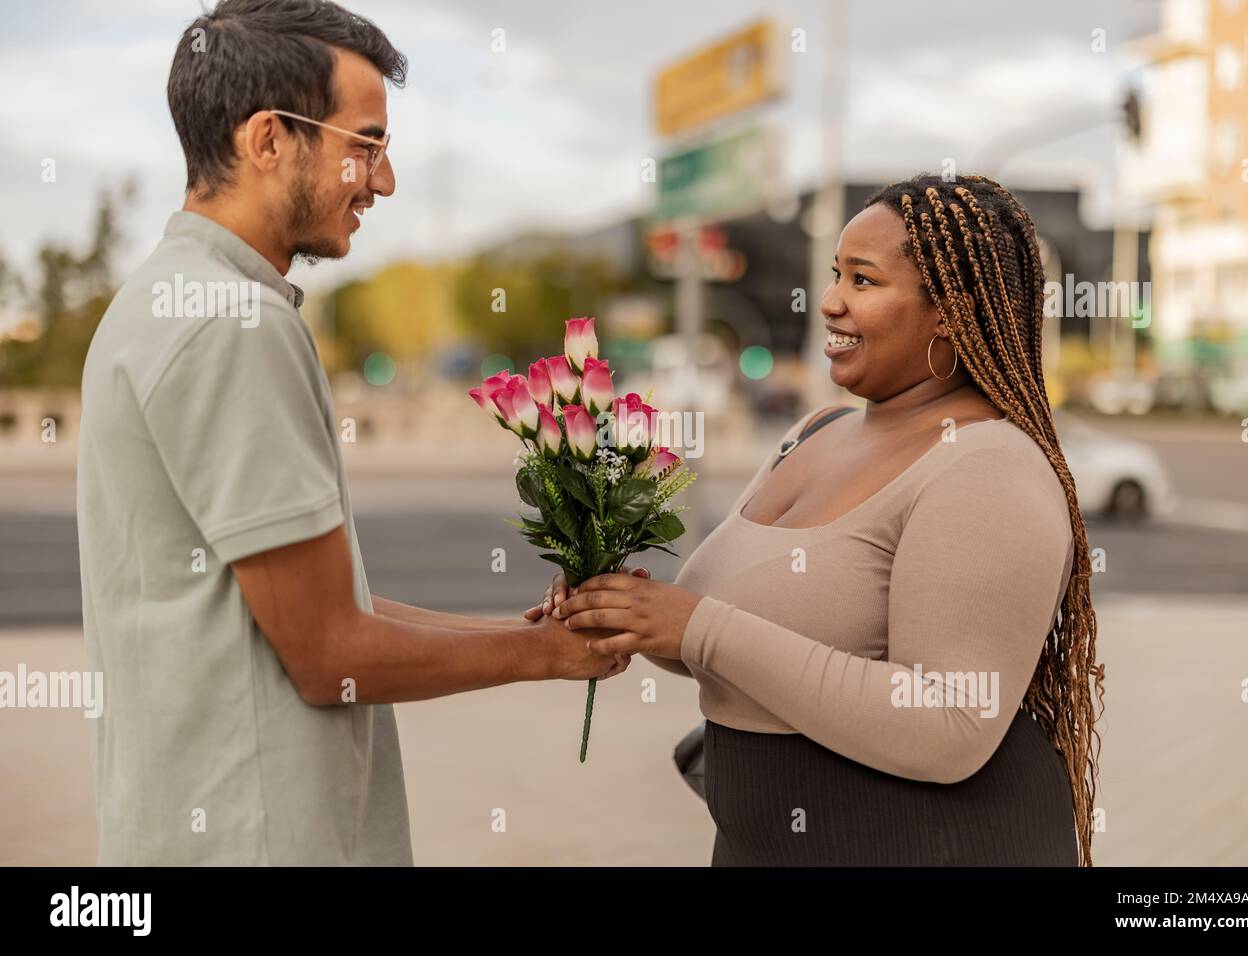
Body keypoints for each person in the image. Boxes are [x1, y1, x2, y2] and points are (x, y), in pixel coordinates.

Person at [76, 0, 621, 866]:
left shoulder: (160, 298)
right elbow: (330, 654)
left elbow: (317, 613)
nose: (384, 180)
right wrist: (543, 659)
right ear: (269, 140)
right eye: (363, 145)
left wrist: (527, 637)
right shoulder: (234, 324)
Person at [536, 174, 1106, 866]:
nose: (830, 301)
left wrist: (694, 624)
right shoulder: (814, 432)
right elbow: (721, 640)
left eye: (863, 281)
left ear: (951, 312)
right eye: (836, 274)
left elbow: (952, 724)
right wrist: (628, 611)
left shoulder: (985, 464)